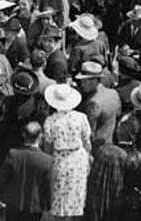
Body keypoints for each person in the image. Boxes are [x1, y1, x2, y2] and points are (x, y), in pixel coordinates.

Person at [41, 84, 92, 220]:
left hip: (59, 159)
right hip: (78, 157)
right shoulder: (81, 117)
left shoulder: (50, 121)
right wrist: (88, 157)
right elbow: (87, 141)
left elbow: (48, 144)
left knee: (59, 192)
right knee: (77, 192)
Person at [0, 121, 55, 221]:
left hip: (13, 203)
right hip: (34, 207)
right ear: (41, 136)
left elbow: (2, 178)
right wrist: (48, 207)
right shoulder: (47, 161)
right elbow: (48, 187)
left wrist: (5, 195)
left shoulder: (13, 154)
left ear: (24, 135)